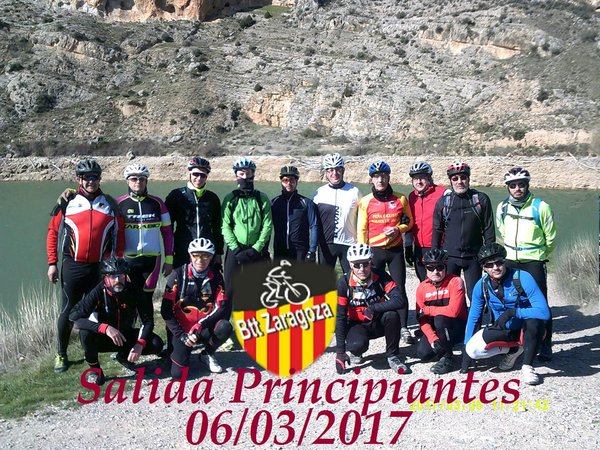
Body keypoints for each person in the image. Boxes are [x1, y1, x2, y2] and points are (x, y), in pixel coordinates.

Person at [47, 159, 124, 373]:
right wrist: (52, 263)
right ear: (79, 179)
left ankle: (92, 352)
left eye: (95, 177)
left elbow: (119, 237)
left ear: (100, 178)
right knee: (67, 310)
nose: (91, 181)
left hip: (99, 268)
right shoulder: (67, 202)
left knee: (95, 312)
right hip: (72, 266)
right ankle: (61, 353)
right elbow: (53, 233)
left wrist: (116, 264)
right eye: (86, 177)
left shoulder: (110, 204)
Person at [464, 243, 550, 385]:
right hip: (503, 328)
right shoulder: (482, 285)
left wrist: (513, 312)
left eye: (499, 262)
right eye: (489, 265)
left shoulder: (522, 277)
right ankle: (514, 350)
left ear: (504, 261)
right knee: (472, 350)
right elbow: (474, 316)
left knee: (535, 322)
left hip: (525, 328)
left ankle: (528, 366)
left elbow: (544, 312)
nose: (495, 267)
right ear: (484, 268)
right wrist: (466, 347)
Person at [69, 257, 164, 386]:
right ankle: (96, 370)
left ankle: (123, 356)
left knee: (156, 344)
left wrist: (140, 344)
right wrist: (104, 328)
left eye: (121, 276)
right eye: (113, 276)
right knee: (85, 333)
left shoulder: (134, 290)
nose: (118, 280)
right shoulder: (98, 291)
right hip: (103, 338)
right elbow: (74, 318)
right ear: (105, 278)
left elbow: (147, 321)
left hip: (125, 336)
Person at [496, 167, 557, 361]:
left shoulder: (541, 207)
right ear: (508, 188)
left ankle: (546, 344)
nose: (517, 189)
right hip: (510, 260)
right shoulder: (502, 207)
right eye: (513, 185)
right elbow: (502, 231)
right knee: (512, 300)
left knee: (540, 303)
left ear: (527, 185)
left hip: (533, 261)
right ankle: (517, 339)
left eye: (521, 184)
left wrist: (539, 256)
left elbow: (551, 237)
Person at [357, 160, 415, 344]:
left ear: (388, 177)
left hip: (395, 251)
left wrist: (398, 229)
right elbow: (362, 229)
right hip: (375, 251)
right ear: (371, 179)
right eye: (376, 176)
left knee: (399, 288)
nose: (380, 180)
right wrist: (363, 254)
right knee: (373, 289)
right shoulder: (366, 201)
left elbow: (409, 222)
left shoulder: (400, 199)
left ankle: (404, 327)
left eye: (383, 176)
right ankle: (374, 323)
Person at [161, 238, 232, 377]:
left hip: (203, 328)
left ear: (211, 257)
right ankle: (173, 352)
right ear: (190, 255)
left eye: (206, 256)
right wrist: (181, 335)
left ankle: (207, 354)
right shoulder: (177, 274)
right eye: (196, 255)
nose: (200, 260)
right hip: (181, 330)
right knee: (178, 374)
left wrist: (201, 325)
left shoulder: (216, 276)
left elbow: (222, 307)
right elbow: (165, 310)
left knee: (225, 326)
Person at [334, 243, 409, 374]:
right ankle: (357, 351)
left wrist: (373, 308)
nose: (361, 269)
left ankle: (392, 355)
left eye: (365, 264)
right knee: (356, 345)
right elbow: (340, 317)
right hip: (356, 324)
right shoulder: (343, 283)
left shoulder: (381, 276)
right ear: (350, 265)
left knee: (392, 315)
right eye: (357, 265)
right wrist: (340, 352)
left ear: (371, 262)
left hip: (377, 321)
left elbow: (399, 300)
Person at [431, 162, 495, 301]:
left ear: (468, 179)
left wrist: (489, 255)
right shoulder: (444, 202)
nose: (459, 181)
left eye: (463, 177)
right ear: (451, 181)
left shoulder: (480, 199)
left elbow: (488, 228)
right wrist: (435, 254)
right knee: (450, 294)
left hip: (473, 257)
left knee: (474, 294)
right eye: (455, 178)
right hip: (450, 257)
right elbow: (437, 230)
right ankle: (456, 316)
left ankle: (475, 316)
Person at [117, 164, 174, 307]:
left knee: (147, 300)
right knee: (128, 301)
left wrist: (169, 260)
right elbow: (112, 234)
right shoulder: (119, 204)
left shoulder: (157, 203)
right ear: (127, 181)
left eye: (142, 179)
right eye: (134, 179)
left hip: (152, 261)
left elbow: (167, 233)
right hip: (127, 260)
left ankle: (146, 322)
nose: (138, 182)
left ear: (146, 181)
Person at [221, 157, 273, 294]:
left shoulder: (262, 198)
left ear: (253, 174)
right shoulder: (230, 198)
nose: (245, 177)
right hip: (235, 250)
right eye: (241, 174)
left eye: (248, 173)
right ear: (236, 176)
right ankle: (228, 310)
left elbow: (267, 225)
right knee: (229, 290)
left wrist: (257, 248)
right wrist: (236, 249)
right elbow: (225, 226)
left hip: (256, 250)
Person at [415, 248, 468, 374]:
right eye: (430, 268)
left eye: (439, 267)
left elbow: (453, 311)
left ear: (445, 267)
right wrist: (432, 338)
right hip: (436, 329)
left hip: (456, 327)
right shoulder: (422, 287)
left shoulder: (456, 281)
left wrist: (428, 309)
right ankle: (443, 346)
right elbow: (421, 318)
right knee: (424, 354)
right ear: (426, 269)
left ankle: (447, 357)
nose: (435, 271)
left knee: (440, 318)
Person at [165, 157, 223, 269]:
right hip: (182, 250)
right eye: (195, 174)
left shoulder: (212, 198)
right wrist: (169, 256)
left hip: (207, 251)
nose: (199, 178)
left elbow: (217, 227)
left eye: (203, 175)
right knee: (180, 280)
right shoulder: (176, 195)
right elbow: (168, 228)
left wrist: (219, 253)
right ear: (189, 174)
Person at [313, 153, 362, 274]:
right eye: (330, 170)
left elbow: (364, 217)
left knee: (352, 279)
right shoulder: (319, 193)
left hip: (349, 243)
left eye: (337, 169)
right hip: (326, 243)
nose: (334, 173)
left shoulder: (354, 191)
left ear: (343, 170)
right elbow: (312, 221)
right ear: (325, 172)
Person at [405, 161, 445, 281]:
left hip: (439, 246)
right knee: (423, 282)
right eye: (415, 179)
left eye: (422, 177)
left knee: (441, 282)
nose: (419, 182)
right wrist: (408, 246)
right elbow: (410, 222)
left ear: (429, 178)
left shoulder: (443, 193)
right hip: (419, 248)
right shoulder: (411, 196)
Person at [270, 165, 319, 261]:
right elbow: (267, 227)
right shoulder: (274, 203)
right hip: (280, 250)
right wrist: (264, 249)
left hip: (300, 250)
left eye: (292, 180)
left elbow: (314, 226)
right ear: (281, 182)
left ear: (297, 181)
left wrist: (312, 250)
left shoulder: (306, 203)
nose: (289, 183)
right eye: (285, 180)